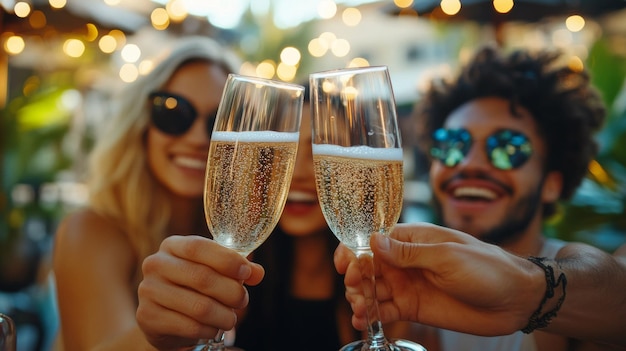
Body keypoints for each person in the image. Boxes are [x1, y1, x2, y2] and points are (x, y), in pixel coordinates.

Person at [334, 46, 626, 350]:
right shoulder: (395, 295)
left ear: (552, 182)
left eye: (507, 148)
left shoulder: (585, 313)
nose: (469, 163)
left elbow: (615, 291)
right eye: (452, 145)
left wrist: (524, 291)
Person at [52, 36, 266, 350]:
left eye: (219, 122)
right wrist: (157, 336)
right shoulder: (89, 229)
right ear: (141, 126)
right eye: (174, 112)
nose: (195, 139)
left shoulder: (247, 232)